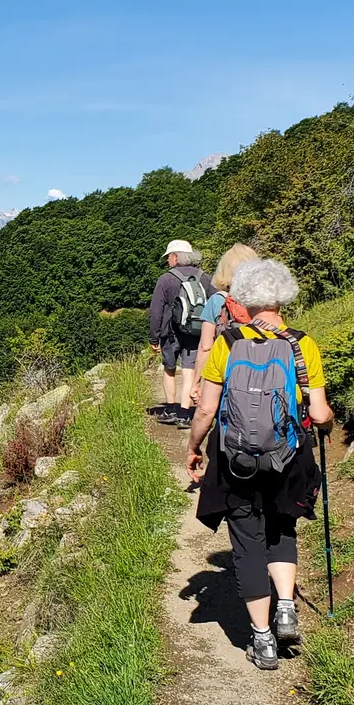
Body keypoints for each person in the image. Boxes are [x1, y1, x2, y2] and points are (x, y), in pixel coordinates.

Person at [186, 259, 334, 671]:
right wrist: (328, 419)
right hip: (287, 456)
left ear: (244, 299)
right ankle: (286, 608)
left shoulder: (227, 342)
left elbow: (207, 410)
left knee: (248, 542)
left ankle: (262, 640)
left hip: (236, 460)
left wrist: (194, 447)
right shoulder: (302, 344)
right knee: (281, 527)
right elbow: (319, 414)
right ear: (283, 296)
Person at [147, 240, 212, 427]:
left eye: (168, 257)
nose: (168, 260)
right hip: (196, 331)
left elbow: (156, 311)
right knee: (189, 371)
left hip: (170, 332)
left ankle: (170, 408)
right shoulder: (204, 277)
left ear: (175, 256)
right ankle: (184, 412)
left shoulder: (166, 279)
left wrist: (154, 336)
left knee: (169, 369)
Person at [194, 243, 262, 376]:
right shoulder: (266, 300)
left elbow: (205, 348)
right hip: (263, 369)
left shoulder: (217, 300)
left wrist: (196, 382)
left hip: (228, 372)